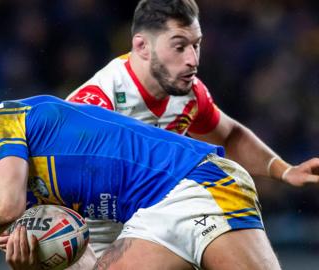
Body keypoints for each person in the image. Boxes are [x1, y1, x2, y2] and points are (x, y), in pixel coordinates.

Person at [62, 0, 319, 258]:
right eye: (179, 47)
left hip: (148, 232)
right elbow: (48, 177)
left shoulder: (189, 94)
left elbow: (230, 135)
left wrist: (284, 171)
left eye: (196, 45)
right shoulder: (95, 104)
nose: (192, 59)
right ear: (142, 46)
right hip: (88, 249)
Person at [0, 95, 281, 269]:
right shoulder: (33, 204)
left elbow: (4, 206)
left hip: (196, 181)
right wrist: (36, 265)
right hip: (152, 216)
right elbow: (84, 260)